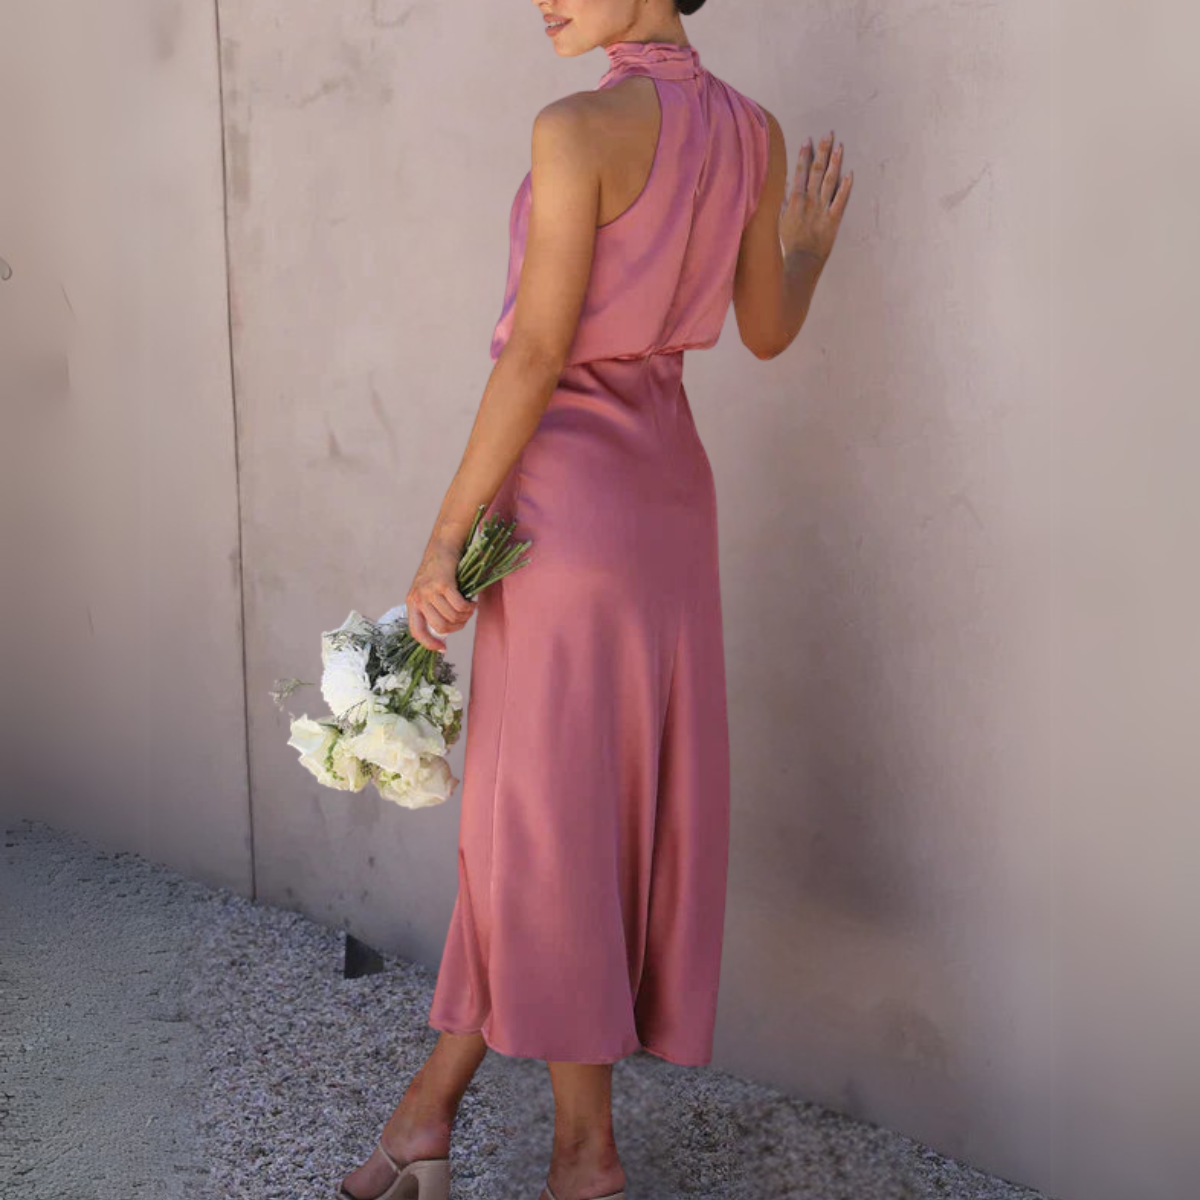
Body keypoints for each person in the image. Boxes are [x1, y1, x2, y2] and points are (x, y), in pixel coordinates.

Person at [339, 2, 852, 1198]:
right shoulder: (755, 132)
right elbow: (765, 331)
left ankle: (585, 1156)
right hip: (670, 505)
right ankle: (426, 1115)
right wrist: (807, 256)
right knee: (565, 819)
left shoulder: (576, 131)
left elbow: (535, 355)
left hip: (566, 510)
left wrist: (443, 539)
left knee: (548, 829)